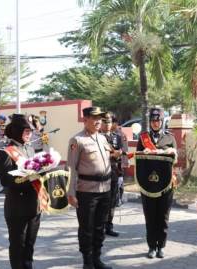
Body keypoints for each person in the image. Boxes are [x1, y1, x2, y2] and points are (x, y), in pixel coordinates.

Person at [67, 106, 114, 269]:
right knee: (87, 227)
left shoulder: (102, 138)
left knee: (100, 226)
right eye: (94, 118)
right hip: (86, 192)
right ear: (85, 119)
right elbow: (71, 168)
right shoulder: (77, 140)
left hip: (105, 189)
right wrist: (71, 193)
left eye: (100, 118)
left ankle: (97, 258)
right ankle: (87, 261)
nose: (98, 121)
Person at [0, 114, 41, 269]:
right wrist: (29, 178)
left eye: (30, 131)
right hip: (17, 206)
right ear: (17, 131)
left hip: (34, 204)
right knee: (18, 246)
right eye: (26, 131)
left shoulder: (29, 148)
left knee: (30, 244)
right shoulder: (6, 151)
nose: (29, 134)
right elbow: (5, 180)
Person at [136, 107, 177, 259]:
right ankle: (152, 247)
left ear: (162, 121)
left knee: (163, 217)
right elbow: (137, 158)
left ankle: (161, 246)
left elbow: (176, 158)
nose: (155, 123)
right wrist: (143, 152)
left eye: (157, 120)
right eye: (153, 120)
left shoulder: (170, 138)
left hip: (166, 183)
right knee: (150, 216)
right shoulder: (143, 138)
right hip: (148, 184)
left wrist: (168, 152)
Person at [101, 113, 122, 237]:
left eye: (109, 122)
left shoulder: (117, 137)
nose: (107, 124)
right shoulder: (97, 137)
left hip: (114, 172)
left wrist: (120, 174)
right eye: (105, 122)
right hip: (102, 173)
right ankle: (101, 227)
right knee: (103, 201)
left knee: (112, 201)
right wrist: (111, 155)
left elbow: (120, 154)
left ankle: (109, 226)